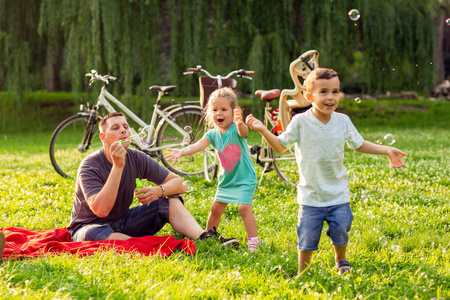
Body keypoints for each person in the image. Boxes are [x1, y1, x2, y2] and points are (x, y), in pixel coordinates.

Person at [246, 68, 407, 274]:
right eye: (324, 92)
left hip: (338, 194)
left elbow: (358, 144)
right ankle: (302, 272)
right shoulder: (300, 122)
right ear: (309, 96)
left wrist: (386, 150)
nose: (331, 97)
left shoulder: (343, 121)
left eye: (335, 91)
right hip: (310, 196)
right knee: (306, 238)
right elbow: (280, 146)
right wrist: (262, 129)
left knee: (341, 230)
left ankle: (341, 261)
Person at [67, 112, 237, 246]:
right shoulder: (89, 165)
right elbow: (101, 210)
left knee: (169, 200)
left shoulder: (136, 157)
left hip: (124, 222)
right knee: (90, 235)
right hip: (89, 227)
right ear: (103, 137)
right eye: (115, 128)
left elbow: (179, 184)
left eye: (125, 126)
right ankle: (139, 245)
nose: (124, 130)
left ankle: (204, 237)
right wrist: (118, 166)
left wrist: (158, 191)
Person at [165, 87, 260, 251]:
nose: (219, 114)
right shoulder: (212, 134)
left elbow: (244, 132)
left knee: (243, 209)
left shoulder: (236, 130)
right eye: (215, 110)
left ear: (233, 111)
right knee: (215, 209)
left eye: (224, 109)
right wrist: (182, 151)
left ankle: (254, 242)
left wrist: (240, 123)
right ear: (210, 112)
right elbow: (198, 145)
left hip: (245, 178)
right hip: (226, 180)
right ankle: (209, 235)